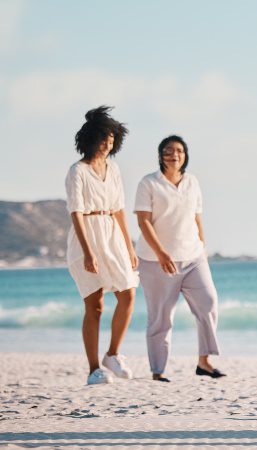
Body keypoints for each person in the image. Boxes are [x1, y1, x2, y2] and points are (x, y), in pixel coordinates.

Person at [134, 135, 224, 382]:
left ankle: (204, 361)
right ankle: (158, 370)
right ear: (160, 155)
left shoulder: (192, 182)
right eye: (169, 151)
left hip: (193, 256)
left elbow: (197, 218)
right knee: (161, 316)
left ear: (186, 155)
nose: (175, 155)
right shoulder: (149, 183)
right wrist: (161, 253)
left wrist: (202, 246)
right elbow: (143, 221)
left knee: (208, 303)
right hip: (155, 260)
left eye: (180, 151)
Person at [65, 106, 138, 385]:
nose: (108, 143)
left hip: (113, 234)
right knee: (95, 306)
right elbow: (76, 212)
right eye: (103, 137)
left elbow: (119, 208)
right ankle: (94, 368)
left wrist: (129, 246)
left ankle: (113, 354)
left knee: (128, 293)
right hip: (87, 235)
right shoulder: (77, 172)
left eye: (111, 138)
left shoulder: (114, 168)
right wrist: (88, 251)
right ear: (90, 138)